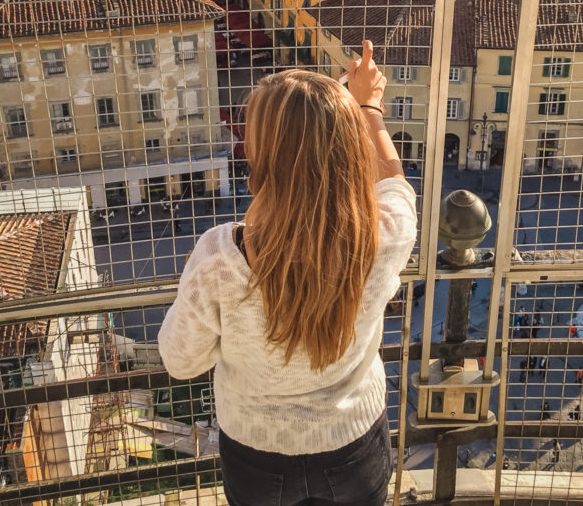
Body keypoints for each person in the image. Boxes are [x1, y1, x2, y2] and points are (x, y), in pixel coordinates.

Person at [158, 42, 417, 506]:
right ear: (347, 146)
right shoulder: (385, 237)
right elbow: (394, 184)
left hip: (258, 454)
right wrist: (366, 107)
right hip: (353, 443)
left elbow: (181, 362)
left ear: (261, 151)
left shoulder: (221, 255)